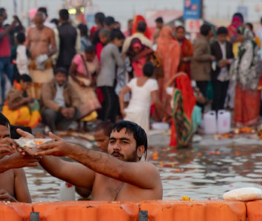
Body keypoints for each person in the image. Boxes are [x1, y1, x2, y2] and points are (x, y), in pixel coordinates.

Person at [19, 121, 162, 201]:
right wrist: (32, 145)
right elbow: (60, 168)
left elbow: (118, 169)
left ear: (140, 150)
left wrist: (70, 149)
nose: (116, 147)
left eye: (124, 142)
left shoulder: (149, 171)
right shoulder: (98, 175)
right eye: (112, 142)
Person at [230, 26, 261, 127]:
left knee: (249, 100)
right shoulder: (243, 45)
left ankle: (249, 120)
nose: (237, 37)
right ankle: (242, 120)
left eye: (239, 35)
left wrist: (242, 75)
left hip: (249, 78)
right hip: (242, 78)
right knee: (242, 99)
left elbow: (247, 63)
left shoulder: (250, 45)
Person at [120, 62, 164, 131]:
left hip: (130, 112)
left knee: (128, 137)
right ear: (152, 72)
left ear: (142, 71)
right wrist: (164, 113)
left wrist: (122, 109)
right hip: (141, 114)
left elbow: (122, 92)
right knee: (141, 138)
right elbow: (155, 101)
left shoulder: (134, 81)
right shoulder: (152, 83)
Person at [25, 11, 56, 100]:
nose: (38, 24)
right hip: (33, 62)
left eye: (40, 22)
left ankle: (46, 104)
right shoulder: (30, 31)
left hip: (45, 63)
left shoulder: (49, 31)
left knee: (46, 84)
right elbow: (27, 45)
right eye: (36, 22)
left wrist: (45, 56)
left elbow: (54, 49)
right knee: (33, 85)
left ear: (44, 21)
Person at [40, 67, 82, 132]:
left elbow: (76, 98)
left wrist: (73, 108)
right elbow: (47, 101)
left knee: (77, 112)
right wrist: (60, 109)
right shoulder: (47, 85)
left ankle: (61, 126)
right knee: (50, 113)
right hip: (51, 109)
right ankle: (52, 129)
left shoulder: (69, 85)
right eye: (59, 76)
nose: (61, 79)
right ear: (54, 76)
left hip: (65, 110)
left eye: (63, 76)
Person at [68, 45, 101, 128]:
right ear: (86, 53)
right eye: (90, 55)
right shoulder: (78, 58)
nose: (91, 57)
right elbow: (71, 72)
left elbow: (95, 73)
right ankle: (79, 126)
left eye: (93, 56)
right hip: (76, 83)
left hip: (88, 84)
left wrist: (93, 81)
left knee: (91, 103)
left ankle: (85, 126)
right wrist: (79, 82)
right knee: (81, 103)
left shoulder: (94, 59)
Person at [97, 29, 125, 122]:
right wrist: (124, 58)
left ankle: (110, 122)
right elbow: (120, 63)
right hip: (107, 79)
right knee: (110, 102)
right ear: (115, 39)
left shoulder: (106, 47)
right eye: (120, 41)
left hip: (103, 79)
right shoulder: (113, 47)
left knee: (110, 101)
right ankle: (105, 123)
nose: (121, 44)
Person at [156, 24, 181, 113]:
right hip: (171, 73)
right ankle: (169, 112)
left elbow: (157, 59)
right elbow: (178, 60)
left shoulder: (159, 43)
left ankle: (160, 114)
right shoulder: (175, 44)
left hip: (161, 74)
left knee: (160, 90)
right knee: (169, 91)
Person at [168, 72, 197, 148]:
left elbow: (166, 87)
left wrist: (174, 77)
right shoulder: (191, 94)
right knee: (187, 147)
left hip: (177, 121)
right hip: (188, 123)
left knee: (176, 146)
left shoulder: (175, 92)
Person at [210, 27, 233, 111]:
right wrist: (217, 64)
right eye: (221, 36)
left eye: (224, 36)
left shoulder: (229, 44)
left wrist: (228, 61)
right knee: (217, 95)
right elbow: (211, 60)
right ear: (217, 36)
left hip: (226, 73)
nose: (222, 38)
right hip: (217, 74)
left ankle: (221, 112)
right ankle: (214, 112)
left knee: (223, 95)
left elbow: (232, 58)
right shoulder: (213, 45)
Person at [191, 24, 213, 98]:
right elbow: (197, 56)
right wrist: (209, 57)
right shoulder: (202, 42)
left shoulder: (204, 41)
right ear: (208, 32)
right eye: (211, 30)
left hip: (202, 73)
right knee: (201, 95)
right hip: (200, 74)